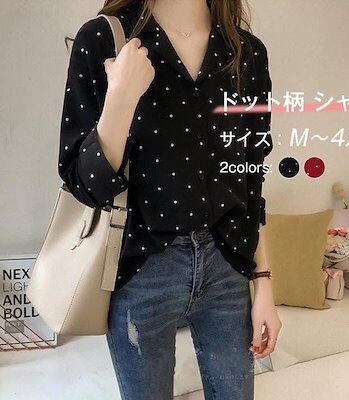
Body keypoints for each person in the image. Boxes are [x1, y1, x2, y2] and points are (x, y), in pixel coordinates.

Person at [58, 0, 282, 398]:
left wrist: (263, 284)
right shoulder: (105, 39)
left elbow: (251, 180)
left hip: (227, 266)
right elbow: (85, 185)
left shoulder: (247, 52)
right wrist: (121, 97)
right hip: (142, 270)